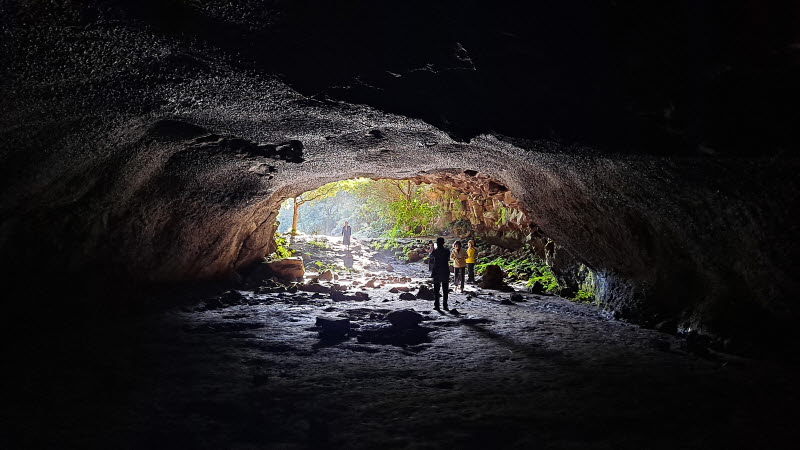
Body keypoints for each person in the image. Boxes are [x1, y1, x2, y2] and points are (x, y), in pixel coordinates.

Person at [430, 237, 450, 310]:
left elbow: (431, 258)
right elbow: (448, 258)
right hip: (445, 271)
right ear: (443, 243)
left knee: (436, 290)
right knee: (445, 290)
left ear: (437, 243)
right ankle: (445, 305)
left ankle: (437, 305)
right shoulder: (447, 251)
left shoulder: (435, 251)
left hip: (436, 272)